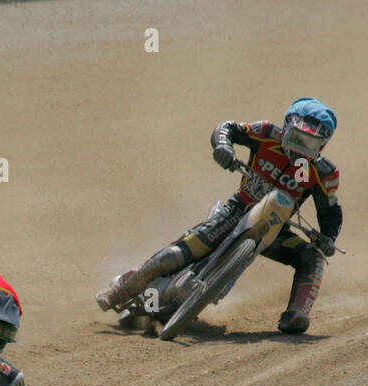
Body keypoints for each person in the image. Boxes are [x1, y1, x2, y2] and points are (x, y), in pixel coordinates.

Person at [97, 97, 342, 334]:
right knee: (178, 253)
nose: (300, 149)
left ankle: (297, 314)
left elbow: (330, 211)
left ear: (322, 145)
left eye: (309, 144)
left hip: (276, 229)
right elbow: (228, 128)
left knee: (313, 256)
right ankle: (121, 289)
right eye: (297, 138)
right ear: (287, 127)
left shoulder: (324, 173)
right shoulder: (266, 133)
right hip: (235, 211)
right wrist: (223, 146)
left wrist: (328, 238)